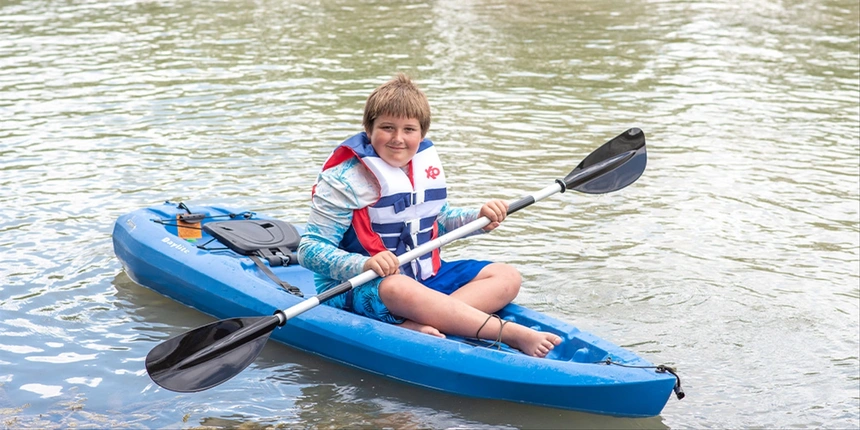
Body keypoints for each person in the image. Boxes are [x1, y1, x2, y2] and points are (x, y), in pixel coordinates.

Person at [297, 73, 561, 358]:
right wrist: (365, 264)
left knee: (507, 276)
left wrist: (481, 217)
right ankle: (504, 331)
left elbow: (439, 218)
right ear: (368, 129)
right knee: (399, 288)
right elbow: (309, 250)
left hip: (424, 277)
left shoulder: (421, 167)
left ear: (421, 133)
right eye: (387, 127)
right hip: (361, 287)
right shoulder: (343, 180)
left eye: (409, 130)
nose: (398, 139)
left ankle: (425, 320)